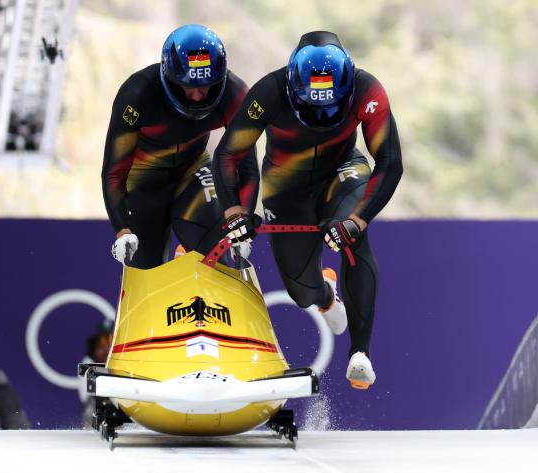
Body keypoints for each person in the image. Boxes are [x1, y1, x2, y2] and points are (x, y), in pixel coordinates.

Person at [213, 31, 403, 389]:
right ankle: (324, 296)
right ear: (292, 87)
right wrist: (234, 211)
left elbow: (389, 162)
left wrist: (357, 220)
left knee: (352, 237)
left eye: (331, 106)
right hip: (287, 188)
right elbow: (228, 154)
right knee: (302, 292)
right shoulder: (268, 92)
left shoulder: (368, 90)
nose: (321, 113)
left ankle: (360, 353)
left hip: (342, 171)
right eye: (312, 106)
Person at [101, 24, 258, 268]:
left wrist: (241, 219)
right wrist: (122, 230)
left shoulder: (236, 94)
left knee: (217, 251)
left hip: (192, 171)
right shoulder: (136, 95)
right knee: (147, 270)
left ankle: (193, 255)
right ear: (169, 77)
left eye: (206, 86)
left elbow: (246, 165)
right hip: (143, 185)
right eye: (187, 86)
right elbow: (114, 171)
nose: (197, 96)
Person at [79, 318, 113, 428]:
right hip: (96, 420)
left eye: (111, 340)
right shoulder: (87, 364)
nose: (106, 347)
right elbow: (86, 398)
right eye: (102, 342)